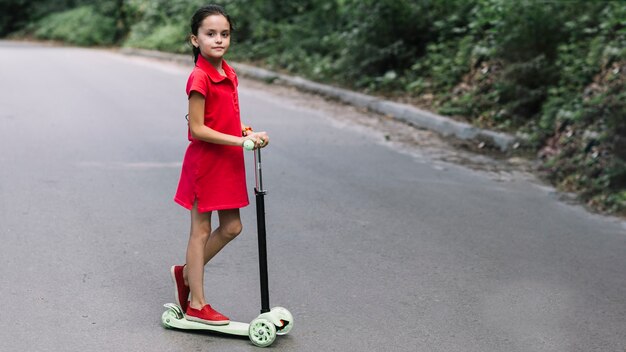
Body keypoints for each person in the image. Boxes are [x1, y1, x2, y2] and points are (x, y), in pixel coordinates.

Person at [170, 4, 269, 325]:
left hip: (227, 162)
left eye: (224, 34)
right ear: (194, 40)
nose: (218, 40)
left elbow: (222, 120)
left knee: (231, 227)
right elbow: (197, 129)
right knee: (200, 231)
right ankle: (197, 304)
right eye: (210, 34)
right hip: (205, 164)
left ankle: (186, 272)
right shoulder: (199, 77)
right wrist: (239, 142)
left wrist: (245, 131)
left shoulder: (228, 72)